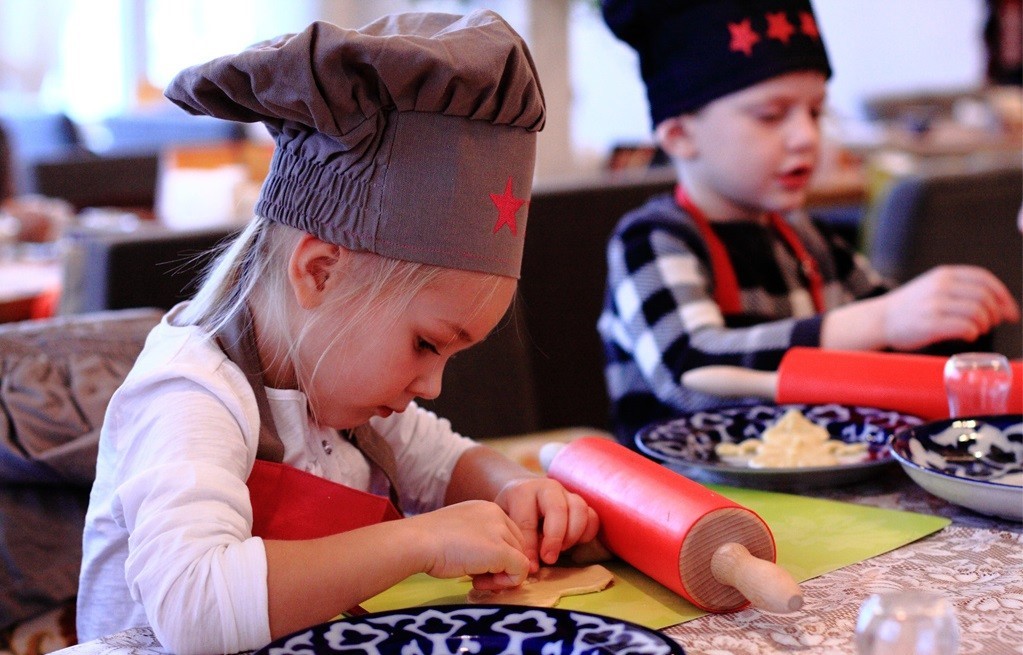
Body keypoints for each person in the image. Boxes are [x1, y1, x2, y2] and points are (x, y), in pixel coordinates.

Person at [76, 11, 600, 654]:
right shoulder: (193, 393)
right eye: (427, 344)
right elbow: (194, 607)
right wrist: (423, 540)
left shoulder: (341, 392)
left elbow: (443, 463)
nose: (433, 386)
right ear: (320, 272)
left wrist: (515, 492)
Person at [596, 0, 1021, 444]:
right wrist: (881, 320)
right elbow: (690, 371)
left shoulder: (807, 238)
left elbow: (895, 348)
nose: (806, 137)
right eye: (771, 115)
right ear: (680, 136)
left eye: (815, 112)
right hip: (681, 501)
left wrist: (946, 323)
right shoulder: (653, 239)